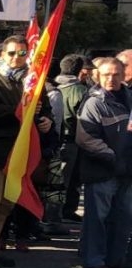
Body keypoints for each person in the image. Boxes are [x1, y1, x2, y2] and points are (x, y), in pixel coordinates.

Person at [0, 36, 52, 268]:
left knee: (7, 202)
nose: (17, 58)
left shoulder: (31, 81)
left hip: (18, 151)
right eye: (12, 53)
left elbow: (41, 108)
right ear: (2, 54)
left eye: (22, 53)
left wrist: (46, 120)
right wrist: (21, 110)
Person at [75, 57, 132, 268]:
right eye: (106, 74)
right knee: (97, 217)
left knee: (123, 217)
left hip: (128, 172)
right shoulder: (94, 102)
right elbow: (86, 138)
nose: (111, 78)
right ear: (97, 76)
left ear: (123, 74)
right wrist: (114, 158)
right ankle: (94, 260)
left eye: (116, 74)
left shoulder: (129, 97)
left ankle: (115, 259)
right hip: (102, 171)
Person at [48, 54, 91, 224]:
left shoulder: (53, 86)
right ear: (80, 72)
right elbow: (84, 119)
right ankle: (57, 216)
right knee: (69, 180)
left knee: (57, 179)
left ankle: (58, 213)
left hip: (56, 139)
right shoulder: (81, 91)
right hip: (72, 140)